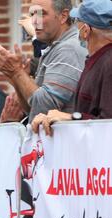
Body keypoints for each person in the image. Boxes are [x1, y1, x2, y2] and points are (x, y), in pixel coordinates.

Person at [0, 0, 87, 123]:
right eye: (32, 14)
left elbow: (46, 109)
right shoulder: (56, 46)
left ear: (63, 16)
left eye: (41, 14)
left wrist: (17, 73)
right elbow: (32, 109)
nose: (34, 21)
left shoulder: (68, 49)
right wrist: (17, 78)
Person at [31, 0, 112, 135]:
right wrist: (59, 118)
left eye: (77, 21)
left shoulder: (108, 63)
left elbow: (108, 122)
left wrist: (71, 117)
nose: (75, 28)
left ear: (86, 30)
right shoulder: (95, 59)